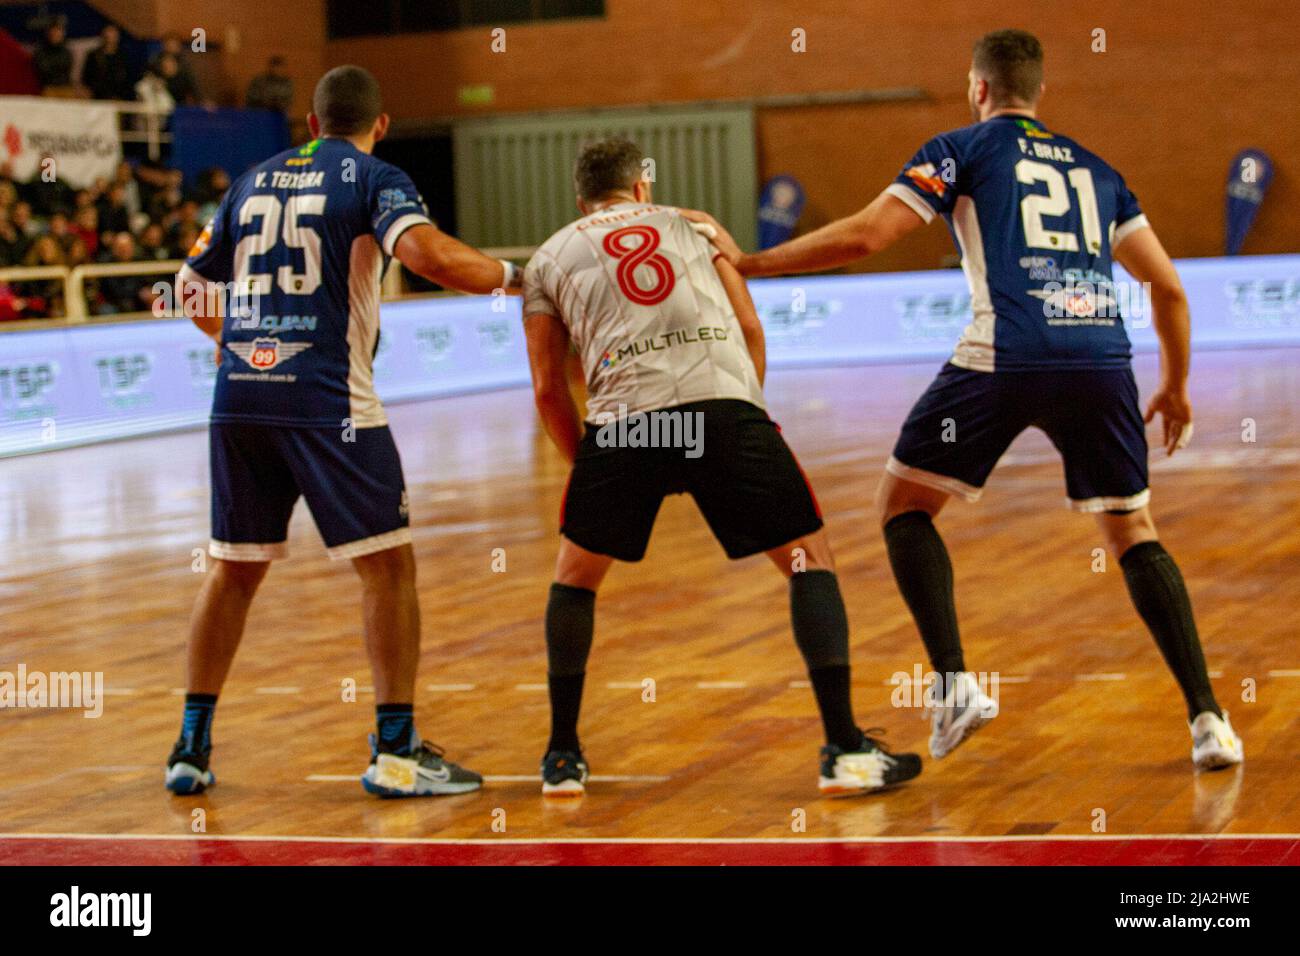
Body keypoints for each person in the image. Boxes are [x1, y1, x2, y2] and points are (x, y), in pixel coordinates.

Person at [691, 29, 1242, 772]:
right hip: (1102, 361)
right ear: (1037, 92)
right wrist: (1174, 385)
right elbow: (1168, 287)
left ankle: (954, 685)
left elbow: (866, 236)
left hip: (1004, 357)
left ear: (978, 88)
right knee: (1133, 528)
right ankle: (1209, 720)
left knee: (904, 506)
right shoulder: (1099, 169)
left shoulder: (963, 149)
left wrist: (750, 261)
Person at [521, 137, 922, 798]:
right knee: (807, 563)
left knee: (576, 580)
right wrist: (743, 416)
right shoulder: (694, 225)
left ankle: (562, 758)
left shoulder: (547, 258)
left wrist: (588, 462)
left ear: (580, 198)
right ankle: (845, 749)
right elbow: (750, 327)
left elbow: (546, 388)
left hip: (624, 425)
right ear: (640, 189)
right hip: (721, 411)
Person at [165, 65, 524, 798]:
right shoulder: (374, 177)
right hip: (329, 400)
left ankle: (190, 748)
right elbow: (425, 256)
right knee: (387, 568)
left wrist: (239, 340)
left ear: (310, 122)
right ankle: (395, 751)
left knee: (233, 569)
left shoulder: (252, 179)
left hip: (240, 398)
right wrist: (519, 277)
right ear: (378, 124)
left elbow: (190, 288)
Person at [81, 23, 134, 101]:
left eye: (113, 32)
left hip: (119, 98)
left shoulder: (124, 57)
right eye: (108, 32)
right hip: (97, 98)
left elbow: (128, 81)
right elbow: (86, 78)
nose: (110, 35)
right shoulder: (93, 56)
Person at [32, 18, 72, 91]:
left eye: (58, 31)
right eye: (54, 31)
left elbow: (66, 71)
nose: (56, 33)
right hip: (48, 88)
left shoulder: (66, 52)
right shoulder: (41, 51)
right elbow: (44, 71)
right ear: (48, 33)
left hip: (65, 88)